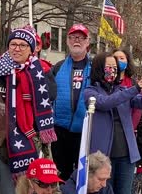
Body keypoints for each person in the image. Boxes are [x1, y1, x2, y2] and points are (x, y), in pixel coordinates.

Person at [0, 25, 57, 193]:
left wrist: (28, 85)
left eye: (23, 45)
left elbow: (51, 95)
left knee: (27, 188)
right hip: (0, 140)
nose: (17, 49)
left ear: (31, 49)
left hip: (30, 138)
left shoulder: (40, 71)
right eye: (13, 44)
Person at [84, 52, 142, 194]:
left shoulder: (123, 90)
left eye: (114, 67)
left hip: (126, 155)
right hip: (103, 157)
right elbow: (106, 103)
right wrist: (135, 88)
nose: (113, 70)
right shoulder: (90, 91)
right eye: (108, 66)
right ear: (99, 68)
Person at [51, 24, 92, 181]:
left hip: (85, 132)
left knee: (83, 177)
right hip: (60, 132)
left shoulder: (94, 68)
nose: (77, 41)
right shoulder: (58, 67)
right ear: (67, 41)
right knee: (62, 175)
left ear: (87, 42)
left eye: (81, 38)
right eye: (73, 37)